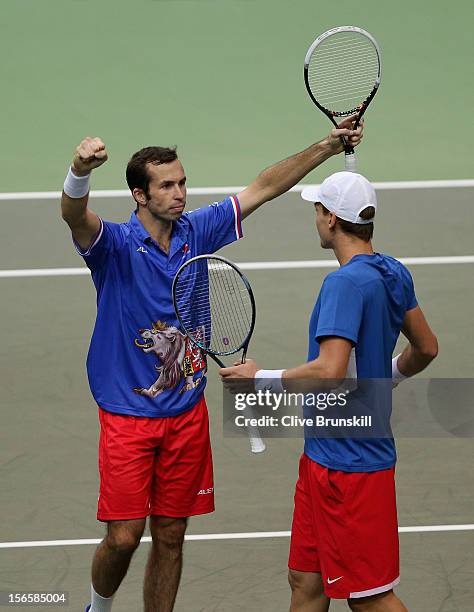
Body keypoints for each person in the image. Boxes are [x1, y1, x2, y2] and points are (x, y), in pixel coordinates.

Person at [60, 121, 363, 612]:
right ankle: (99, 605)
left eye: (182, 182)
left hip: (185, 414)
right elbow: (73, 215)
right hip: (126, 415)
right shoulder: (114, 246)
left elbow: (263, 187)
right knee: (123, 537)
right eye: (166, 185)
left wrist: (327, 147)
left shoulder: (198, 230)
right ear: (139, 194)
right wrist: (78, 171)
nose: (180, 193)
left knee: (172, 535)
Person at [220, 171, 438, 612]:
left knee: (369, 598)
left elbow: (331, 370)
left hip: (350, 469)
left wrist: (259, 380)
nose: (315, 218)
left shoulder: (343, 284)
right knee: (306, 582)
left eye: (317, 209)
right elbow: (426, 348)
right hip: (323, 459)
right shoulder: (392, 272)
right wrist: (385, 374)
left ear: (331, 218)